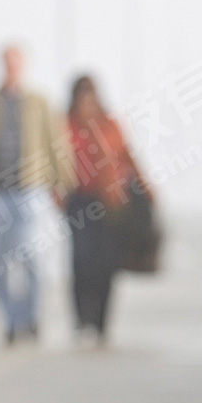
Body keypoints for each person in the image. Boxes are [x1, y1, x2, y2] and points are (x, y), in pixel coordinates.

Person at [0, 45, 73, 345]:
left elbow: (55, 144)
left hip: (30, 190)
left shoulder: (39, 103)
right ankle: (10, 321)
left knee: (31, 256)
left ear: (23, 66)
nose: (11, 69)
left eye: (16, 63)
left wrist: (62, 183)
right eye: (7, 63)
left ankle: (31, 317)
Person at [65, 75, 153, 344]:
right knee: (81, 261)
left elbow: (128, 156)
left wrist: (147, 189)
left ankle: (101, 323)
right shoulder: (66, 125)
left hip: (110, 203)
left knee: (105, 263)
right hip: (78, 200)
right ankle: (82, 320)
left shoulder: (110, 125)